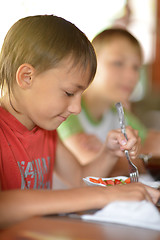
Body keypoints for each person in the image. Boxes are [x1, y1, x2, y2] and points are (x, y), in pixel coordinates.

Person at [0, 15, 159, 229]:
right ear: (27, 77)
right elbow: (5, 205)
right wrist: (103, 195)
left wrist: (109, 153)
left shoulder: (46, 131)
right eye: (68, 93)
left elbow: (79, 177)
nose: (76, 108)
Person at [58, 28, 160, 177]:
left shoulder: (118, 113)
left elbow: (155, 144)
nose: (131, 75)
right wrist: (136, 159)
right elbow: (90, 166)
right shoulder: (67, 110)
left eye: (136, 67)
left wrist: (115, 158)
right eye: (118, 63)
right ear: (91, 63)